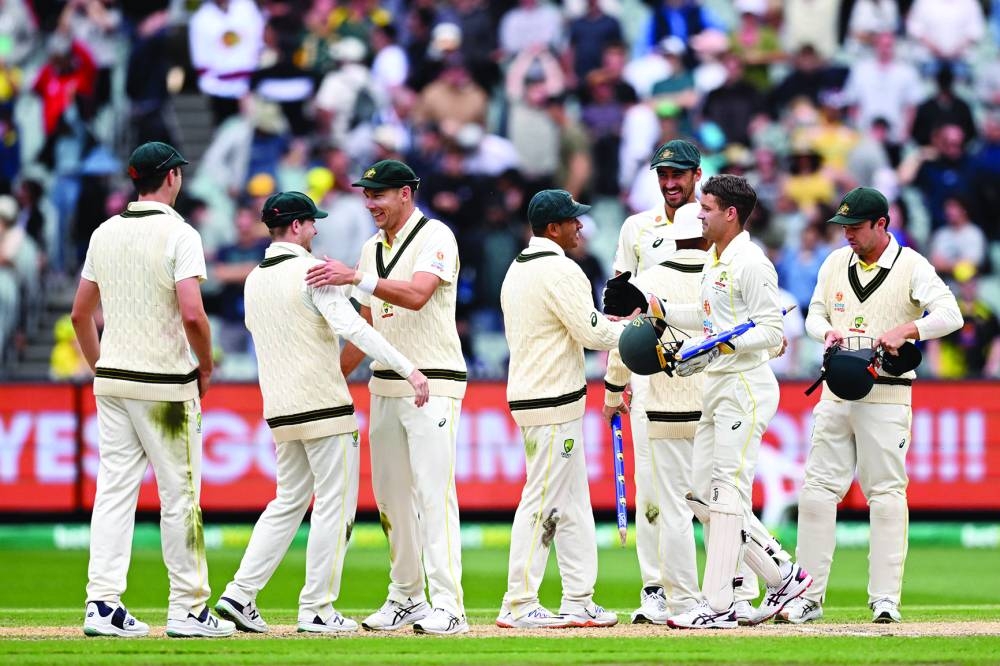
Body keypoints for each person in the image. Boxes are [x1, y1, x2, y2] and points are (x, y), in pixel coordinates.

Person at [213, 191, 428, 634]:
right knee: (335, 506)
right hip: (326, 407)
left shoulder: (254, 278)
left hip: (280, 409)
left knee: (287, 502)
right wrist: (409, 368)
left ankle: (240, 593)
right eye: (311, 223)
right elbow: (354, 327)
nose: (315, 230)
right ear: (295, 226)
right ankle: (317, 608)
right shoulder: (315, 271)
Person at [604, 174, 811, 629]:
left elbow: (772, 331)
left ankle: (718, 604)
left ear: (730, 213)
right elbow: (703, 317)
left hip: (745, 388)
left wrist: (720, 346)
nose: (698, 215)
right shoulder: (716, 261)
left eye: (707, 208)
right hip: (718, 386)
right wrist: (652, 305)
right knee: (700, 492)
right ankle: (783, 573)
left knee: (725, 493)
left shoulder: (751, 263)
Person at [71, 141, 234, 638]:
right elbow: (192, 312)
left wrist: (102, 367)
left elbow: (80, 314)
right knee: (180, 496)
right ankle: (188, 609)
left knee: (114, 492)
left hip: (114, 381)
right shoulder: (179, 233)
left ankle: (102, 603)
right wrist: (205, 367)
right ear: (171, 178)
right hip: (165, 384)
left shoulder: (105, 232)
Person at [779, 187, 963, 625]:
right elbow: (814, 313)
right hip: (836, 388)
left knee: (884, 494)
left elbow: (950, 314)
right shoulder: (834, 262)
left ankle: (884, 599)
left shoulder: (912, 266)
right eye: (843, 227)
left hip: (887, 392)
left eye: (856, 227)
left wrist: (909, 329)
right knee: (818, 491)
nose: (848, 236)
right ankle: (808, 595)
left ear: (882, 224)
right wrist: (826, 333)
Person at [305, 159, 468, 635]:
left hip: (433, 381)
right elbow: (369, 323)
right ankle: (407, 597)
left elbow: (417, 295)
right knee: (391, 498)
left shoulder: (437, 237)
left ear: (406, 194)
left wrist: (356, 278)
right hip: (385, 384)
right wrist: (334, 378)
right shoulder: (371, 248)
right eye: (367, 195)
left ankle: (449, 605)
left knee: (434, 494)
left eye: (380, 195)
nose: (371, 203)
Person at [497, 189, 624, 629]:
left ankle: (578, 598)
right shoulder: (561, 270)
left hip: (538, 395)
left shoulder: (519, 267)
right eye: (573, 221)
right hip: (551, 400)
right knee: (543, 500)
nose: (580, 227)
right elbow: (592, 333)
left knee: (571, 504)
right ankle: (518, 602)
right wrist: (635, 331)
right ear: (554, 228)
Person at [603, 202, 710, 624]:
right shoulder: (635, 227)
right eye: (664, 173)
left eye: (679, 172)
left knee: (673, 498)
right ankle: (659, 588)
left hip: (665, 387)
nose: (671, 181)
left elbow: (626, 322)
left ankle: (705, 593)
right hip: (691, 386)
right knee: (709, 496)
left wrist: (613, 382)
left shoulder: (723, 259)